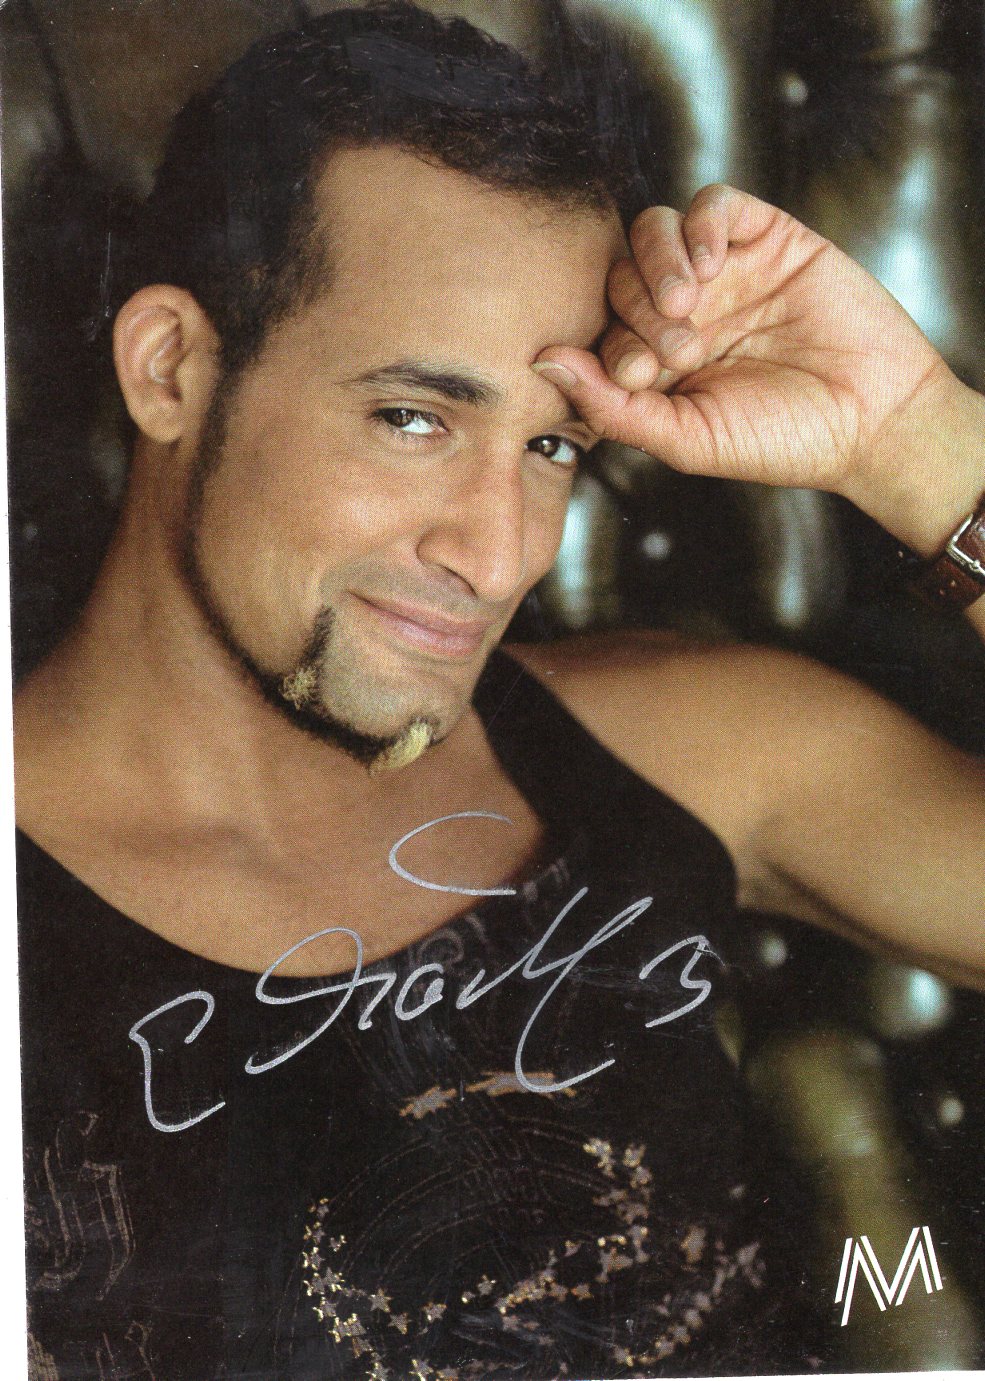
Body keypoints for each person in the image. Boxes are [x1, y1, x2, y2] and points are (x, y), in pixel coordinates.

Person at [12, 3, 984, 1378]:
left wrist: (918, 442)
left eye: (550, 447)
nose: (499, 552)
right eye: (413, 418)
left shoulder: (678, 743)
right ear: (172, 367)